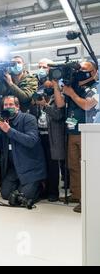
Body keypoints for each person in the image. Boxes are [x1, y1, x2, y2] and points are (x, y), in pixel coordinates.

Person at [54, 61, 99, 213]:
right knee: (74, 167)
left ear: (94, 72)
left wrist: (71, 93)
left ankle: (88, 198)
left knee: (87, 168)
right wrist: (56, 85)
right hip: (72, 132)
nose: (80, 72)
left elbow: (88, 105)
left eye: (84, 70)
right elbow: (60, 104)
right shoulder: (73, 86)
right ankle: (77, 194)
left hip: (88, 133)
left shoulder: (96, 86)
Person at [0, 96, 46, 203]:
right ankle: (22, 185)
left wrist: (9, 130)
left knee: (23, 197)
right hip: (15, 168)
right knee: (5, 194)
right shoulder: (4, 121)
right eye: (5, 105)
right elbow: (0, 145)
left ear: (17, 106)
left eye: (11, 105)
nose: (8, 107)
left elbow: (31, 141)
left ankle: (40, 185)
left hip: (30, 167)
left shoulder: (29, 118)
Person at [30, 59, 65, 202]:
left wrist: (44, 106)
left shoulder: (60, 89)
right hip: (39, 133)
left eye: (44, 67)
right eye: (39, 67)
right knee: (41, 163)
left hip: (53, 134)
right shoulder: (38, 89)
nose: (41, 69)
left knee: (52, 164)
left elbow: (58, 114)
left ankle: (53, 192)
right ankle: (43, 190)